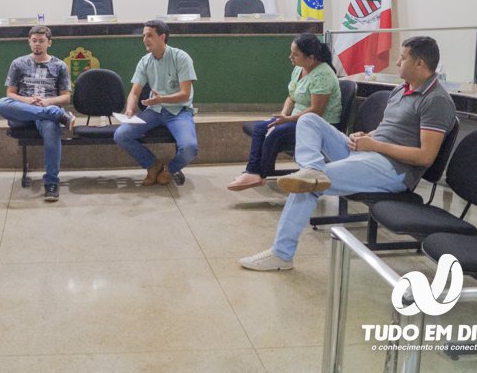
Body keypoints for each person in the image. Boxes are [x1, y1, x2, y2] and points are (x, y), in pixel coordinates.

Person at [240, 36, 456, 271]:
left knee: (307, 185)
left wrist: (375, 146)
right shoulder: (401, 90)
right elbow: (389, 130)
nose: (397, 62)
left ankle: (282, 254)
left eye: (402, 58)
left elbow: (425, 156)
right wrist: (367, 136)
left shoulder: (436, 101)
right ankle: (312, 168)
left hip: (393, 170)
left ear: (420, 64)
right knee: (310, 120)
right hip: (368, 153)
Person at [227, 34, 341, 191]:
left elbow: (317, 111)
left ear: (311, 57)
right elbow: (291, 97)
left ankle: (262, 174)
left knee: (276, 133)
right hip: (296, 119)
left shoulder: (323, 75)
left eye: (295, 54)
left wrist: (287, 120)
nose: (290, 57)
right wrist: (283, 115)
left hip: (316, 125)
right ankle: (252, 171)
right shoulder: (299, 69)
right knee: (261, 128)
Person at [114, 20, 198, 186]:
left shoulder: (181, 58)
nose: (145, 39)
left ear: (162, 37)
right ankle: (152, 165)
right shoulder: (145, 61)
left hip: (179, 111)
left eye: (149, 35)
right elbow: (134, 92)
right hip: (154, 111)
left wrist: (162, 99)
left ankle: (170, 169)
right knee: (121, 135)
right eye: (144, 35)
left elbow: (185, 94)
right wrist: (130, 109)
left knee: (190, 148)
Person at [0, 25, 75, 201]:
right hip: (24, 111)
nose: (37, 44)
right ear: (29, 42)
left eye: (41, 41)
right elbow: (10, 94)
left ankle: (51, 183)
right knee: (2, 104)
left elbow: (66, 98)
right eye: (34, 41)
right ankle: (55, 114)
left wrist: (47, 103)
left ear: (49, 43)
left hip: (45, 111)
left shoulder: (59, 65)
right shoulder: (18, 63)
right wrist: (27, 101)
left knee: (51, 128)